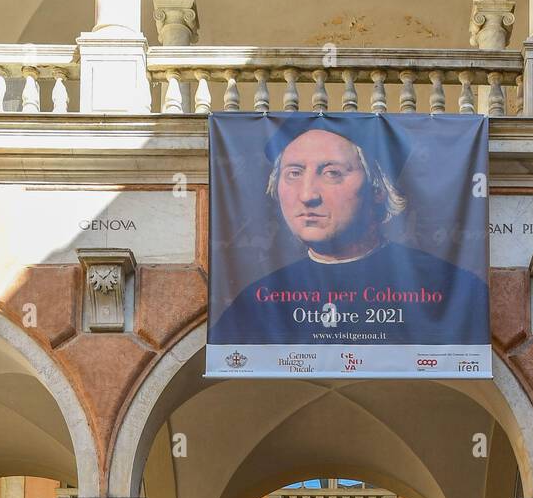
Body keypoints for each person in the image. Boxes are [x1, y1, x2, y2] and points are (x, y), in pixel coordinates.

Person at [209, 117, 489, 346]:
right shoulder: (251, 305)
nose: (307, 195)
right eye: (294, 173)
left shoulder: (454, 290)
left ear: (378, 189)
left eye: (332, 173)